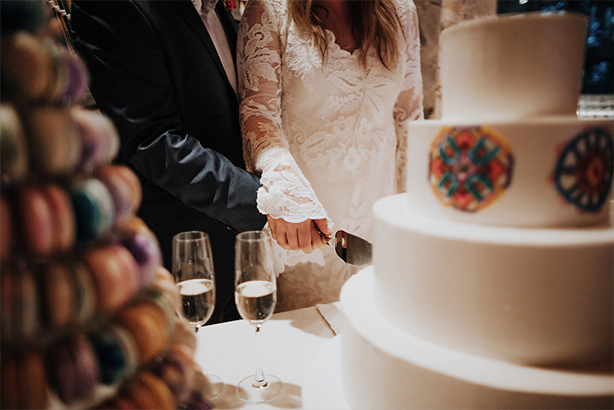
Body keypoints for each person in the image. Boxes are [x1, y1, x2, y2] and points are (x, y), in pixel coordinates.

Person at [70, 0, 267, 324]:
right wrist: (261, 201)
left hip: (242, 248)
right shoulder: (112, 7)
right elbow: (153, 140)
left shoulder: (214, 8)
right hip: (183, 255)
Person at [236, 0, 424, 311]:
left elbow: (409, 120)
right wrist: (287, 191)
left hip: (382, 225)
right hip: (307, 230)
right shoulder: (270, 10)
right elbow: (258, 113)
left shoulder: (400, 10)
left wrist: (418, 213)